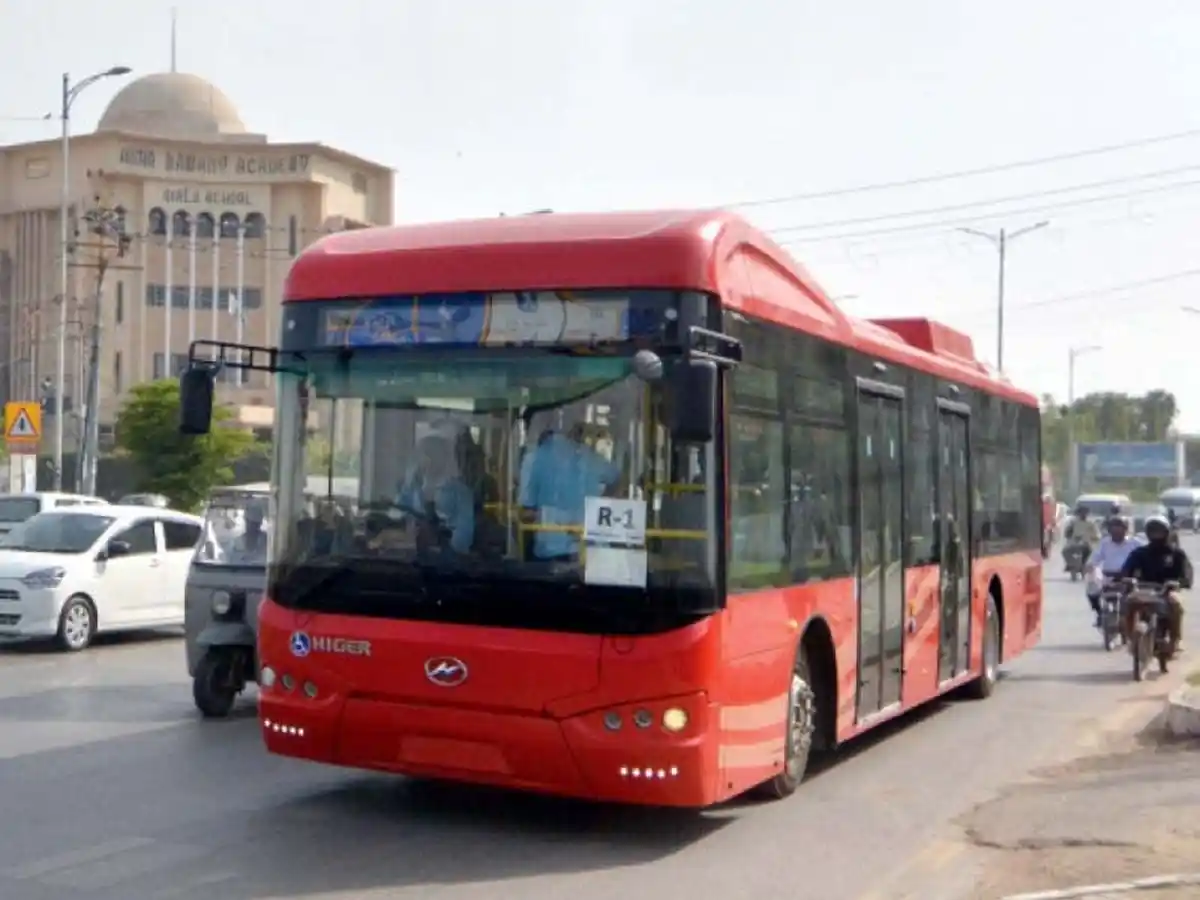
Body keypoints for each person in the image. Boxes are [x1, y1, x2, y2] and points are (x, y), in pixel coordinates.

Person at [518, 423, 620, 561]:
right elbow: (616, 478)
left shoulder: (535, 459)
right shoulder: (591, 458)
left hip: (550, 544)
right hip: (587, 542)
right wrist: (603, 501)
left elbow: (527, 508)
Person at [393, 433, 475, 554]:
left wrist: (441, 546)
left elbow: (464, 534)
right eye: (422, 455)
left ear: (443, 458)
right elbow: (397, 516)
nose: (426, 460)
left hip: (447, 559)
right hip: (411, 557)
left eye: (430, 454)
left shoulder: (460, 492)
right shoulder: (411, 488)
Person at [1119, 514, 1188, 654]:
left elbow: (1186, 576)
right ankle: (1131, 637)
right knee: (1128, 601)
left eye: (1159, 531)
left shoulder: (1177, 554)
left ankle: (1175, 640)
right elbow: (1126, 570)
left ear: (1166, 532)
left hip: (1167, 590)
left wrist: (1178, 583)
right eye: (1153, 531)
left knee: (1176, 604)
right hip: (1143, 589)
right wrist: (1126, 579)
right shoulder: (1139, 553)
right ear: (1148, 533)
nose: (1156, 535)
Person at [1085, 515, 1143, 627]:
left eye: (1119, 527)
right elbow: (1095, 557)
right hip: (1108, 577)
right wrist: (1090, 566)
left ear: (1126, 529)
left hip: (1129, 578)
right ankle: (1100, 613)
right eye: (1113, 528)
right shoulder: (1105, 543)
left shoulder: (1135, 543)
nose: (1116, 531)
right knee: (1091, 587)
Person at [228, 500, 269, 565]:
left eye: (255, 523)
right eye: (250, 522)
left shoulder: (266, 541)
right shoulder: (237, 543)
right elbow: (232, 564)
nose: (252, 527)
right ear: (246, 521)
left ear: (260, 523)